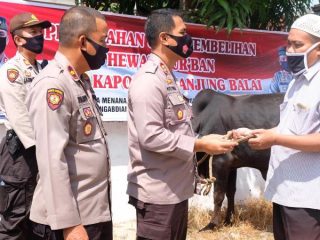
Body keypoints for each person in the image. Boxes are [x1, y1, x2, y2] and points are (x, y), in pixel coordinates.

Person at [127, 9, 238, 240]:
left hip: (174, 192)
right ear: (165, 38)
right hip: (158, 197)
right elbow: (151, 136)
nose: (188, 39)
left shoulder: (167, 78)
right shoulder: (148, 80)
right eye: (183, 33)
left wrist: (210, 141)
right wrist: (200, 144)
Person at [26, 6, 112, 240]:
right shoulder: (53, 84)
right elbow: (51, 159)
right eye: (103, 40)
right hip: (69, 224)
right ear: (83, 42)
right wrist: (69, 225)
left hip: (92, 214)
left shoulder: (79, 80)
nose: (107, 47)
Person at [233, 14, 320, 240]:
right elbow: (287, 129)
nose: (290, 50)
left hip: (309, 197)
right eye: (288, 44)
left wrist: (275, 140)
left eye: (298, 45)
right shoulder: (295, 83)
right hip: (284, 191)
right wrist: (253, 133)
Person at [0, 12, 51, 239]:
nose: (39, 36)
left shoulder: (43, 69)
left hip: (42, 151)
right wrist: (45, 150)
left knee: (38, 220)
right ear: (18, 39)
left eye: (41, 32)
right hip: (22, 154)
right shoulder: (11, 73)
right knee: (15, 220)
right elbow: (20, 117)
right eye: (33, 32)